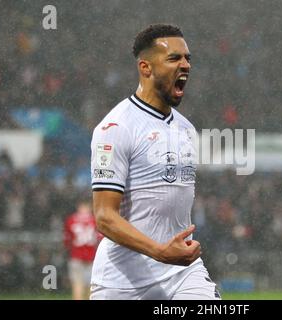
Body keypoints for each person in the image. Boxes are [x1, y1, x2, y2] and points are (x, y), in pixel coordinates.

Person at [89, 24, 220, 300]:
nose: (185, 65)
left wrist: (171, 253)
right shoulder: (115, 127)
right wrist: (159, 251)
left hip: (182, 272)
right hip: (124, 280)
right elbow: (104, 217)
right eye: (174, 58)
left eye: (188, 58)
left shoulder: (185, 128)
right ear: (145, 68)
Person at [63, 200, 101, 300]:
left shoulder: (71, 219)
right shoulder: (94, 220)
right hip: (92, 257)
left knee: (77, 286)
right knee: (91, 288)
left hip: (76, 256)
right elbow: (99, 238)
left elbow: (67, 240)